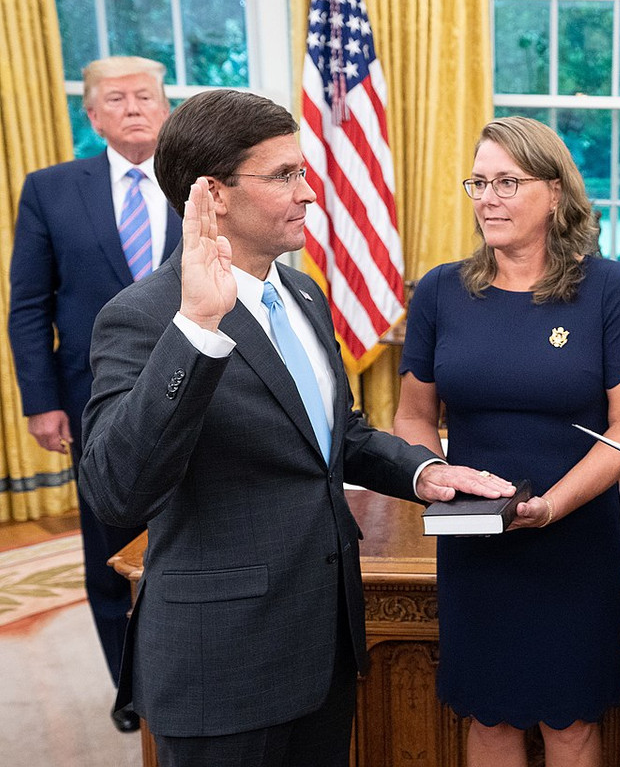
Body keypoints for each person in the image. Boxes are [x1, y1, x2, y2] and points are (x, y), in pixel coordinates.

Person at [77, 89, 512, 767]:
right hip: (220, 665)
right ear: (213, 194)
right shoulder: (144, 317)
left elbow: (336, 436)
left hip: (321, 649)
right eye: (285, 175)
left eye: (303, 172)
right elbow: (115, 491)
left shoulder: (303, 293)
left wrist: (425, 471)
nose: (310, 193)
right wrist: (197, 330)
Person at [392, 116, 620, 767]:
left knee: (571, 723)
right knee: (489, 717)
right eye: (478, 182)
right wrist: (436, 475)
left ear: (556, 192)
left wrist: (556, 506)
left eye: (507, 181)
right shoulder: (439, 292)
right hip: (473, 542)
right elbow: (412, 416)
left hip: (575, 539)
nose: (488, 197)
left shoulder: (610, 290)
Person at [7, 55, 180, 733]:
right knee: (109, 548)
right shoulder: (51, 189)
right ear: (93, 114)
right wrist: (40, 400)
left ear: (166, 106)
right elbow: (28, 306)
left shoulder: (200, 183)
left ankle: (185, 668)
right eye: (117, 98)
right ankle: (130, 689)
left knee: (186, 537)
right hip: (91, 401)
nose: (134, 107)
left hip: (194, 392)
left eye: (146, 95)